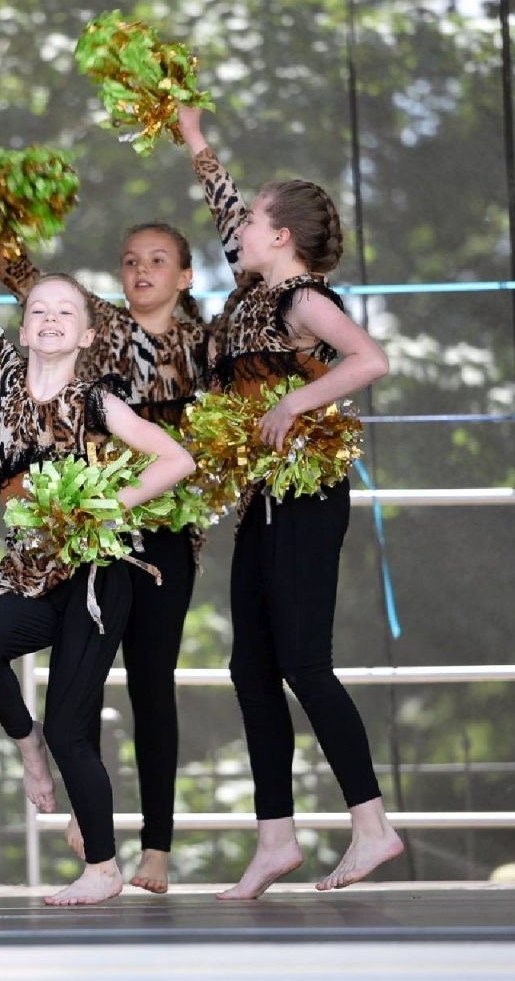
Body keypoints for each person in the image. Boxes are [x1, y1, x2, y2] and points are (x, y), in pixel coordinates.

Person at [0, 135, 247, 894]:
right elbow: (27, 280)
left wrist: (200, 149)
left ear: (186, 273)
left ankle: (155, 849)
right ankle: (88, 815)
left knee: (150, 683)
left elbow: (247, 257)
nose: (141, 271)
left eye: (157, 260)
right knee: (79, 680)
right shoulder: (95, 321)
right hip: (89, 534)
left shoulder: (210, 340)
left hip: (164, 530)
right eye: (131, 260)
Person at [0, 170, 195, 905]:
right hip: (30, 575)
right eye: (38, 310)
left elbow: (178, 458)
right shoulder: (3, 382)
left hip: (93, 574)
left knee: (73, 720)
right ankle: (29, 752)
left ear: (85, 333)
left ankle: (102, 866)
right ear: (22, 330)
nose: (48, 319)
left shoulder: (96, 399)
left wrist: (111, 502)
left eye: (64, 312)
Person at [178, 105, 404, 898]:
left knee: (304, 661)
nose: (238, 228)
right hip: (263, 501)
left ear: (281, 236)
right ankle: (276, 837)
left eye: (254, 221)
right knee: (250, 667)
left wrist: (292, 408)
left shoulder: (301, 300)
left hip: (308, 496)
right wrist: (194, 136)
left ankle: (372, 827)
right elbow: (224, 209)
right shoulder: (248, 285)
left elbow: (369, 359)